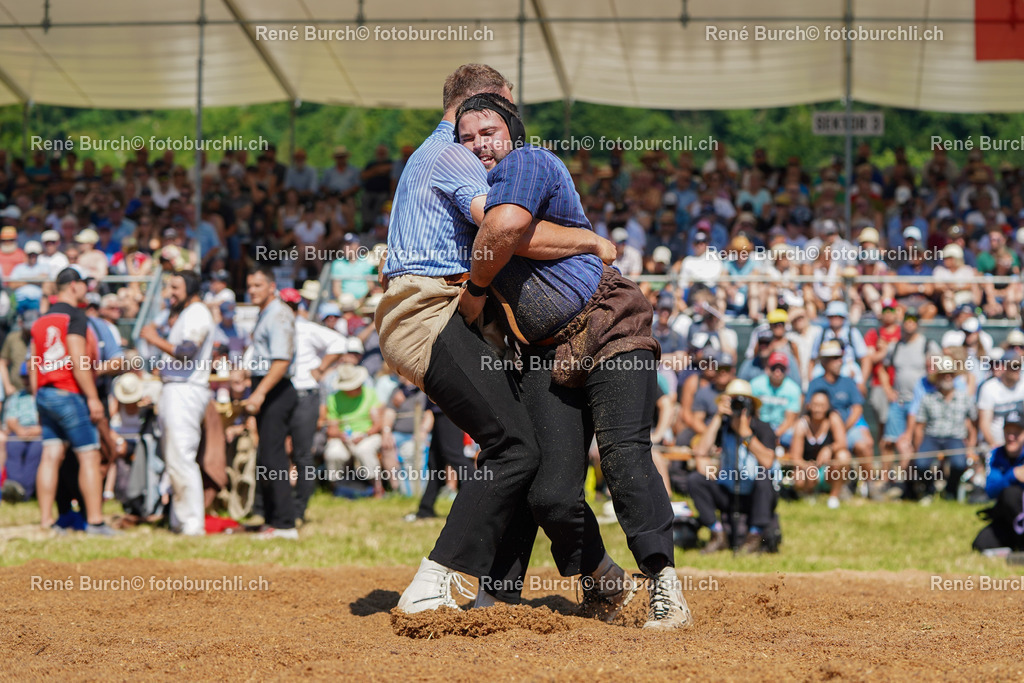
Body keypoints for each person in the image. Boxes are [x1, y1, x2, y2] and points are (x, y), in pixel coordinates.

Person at [376, 64, 614, 614]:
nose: (502, 128)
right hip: (427, 312)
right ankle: (435, 580)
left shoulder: (437, 154)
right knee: (515, 446)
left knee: (521, 443)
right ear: (479, 103)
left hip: (438, 311)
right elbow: (506, 227)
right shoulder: (454, 156)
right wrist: (590, 240)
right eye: (500, 111)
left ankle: (501, 589)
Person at [455, 93, 690, 628]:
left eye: (487, 131)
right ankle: (605, 580)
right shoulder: (468, 201)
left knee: (623, 456)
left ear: (511, 132)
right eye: (466, 138)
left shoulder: (527, 162)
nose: (479, 145)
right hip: (544, 352)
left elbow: (509, 226)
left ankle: (663, 584)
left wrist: (474, 287)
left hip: (611, 322)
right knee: (550, 493)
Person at [30, 267, 114, 534]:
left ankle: (46, 521)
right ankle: (96, 522)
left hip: (45, 392)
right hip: (68, 391)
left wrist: (37, 397)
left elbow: (33, 363)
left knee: (51, 454)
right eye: (84, 285)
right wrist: (92, 398)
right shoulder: (75, 316)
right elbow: (79, 361)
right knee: (89, 455)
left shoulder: (40, 320)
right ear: (74, 286)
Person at [138, 270, 215, 536]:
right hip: (177, 389)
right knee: (175, 458)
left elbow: (186, 352)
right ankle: (180, 521)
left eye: (176, 287)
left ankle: (192, 524)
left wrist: (154, 339)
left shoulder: (197, 312)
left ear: (191, 289)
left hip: (186, 391)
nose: (170, 292)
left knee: (181, 456)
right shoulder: (186, 313)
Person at [689, 379, 780, 553]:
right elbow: (700, 451)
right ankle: (717, 533)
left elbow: (768, 461)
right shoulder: (723, 426)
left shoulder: (762, 427)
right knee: (695, 480)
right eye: (733, 401)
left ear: (751, 405)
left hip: (754, 494)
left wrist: (745, 433)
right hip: (728, 491)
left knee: (764, 480)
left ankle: (754, 537)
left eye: (741, 401)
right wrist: (717, 417)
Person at [242, 266, 299, 539]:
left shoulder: (278, 313)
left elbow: (281, 360)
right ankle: (271, 519)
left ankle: (286, 523)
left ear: (271, 287)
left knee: (275, 457)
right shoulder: (266, 313)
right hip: (266, 385)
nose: (252, 290)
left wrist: (260, 392)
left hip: (275, 389)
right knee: (266, 455)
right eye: (249, 286)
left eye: (257, 285)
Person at [914, 357, 976, 500]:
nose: (947, 377)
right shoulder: (927, 398)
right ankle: (929, 489)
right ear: (938, 377)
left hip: (955, 437)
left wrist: (971, 447)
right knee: (921, 464)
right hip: (932, 437)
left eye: (950, 374)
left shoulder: (965, 398)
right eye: (944, 374)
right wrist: (918, 448)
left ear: (954, 376)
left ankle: (950, 490)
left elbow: (972, 426)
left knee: (959, 464)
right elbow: (919, 426)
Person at [972, 409, 1024, 552]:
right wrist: (1012, 475)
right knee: (981, 544)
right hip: (1006, 516)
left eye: (1017, 433)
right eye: (1008, 432)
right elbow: (991, 490)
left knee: (1012, 494)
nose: (1011, 437)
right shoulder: (995, 454)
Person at [790, 390, 850, 508]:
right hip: (808, 471)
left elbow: (843, 443)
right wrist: (807, 467)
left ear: (828, 407)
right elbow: (795, 457)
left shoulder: (833, 418)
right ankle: (808, 493)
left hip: (829, 471)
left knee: (844, 456)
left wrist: (829, 448)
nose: (818, 409)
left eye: (822, 406)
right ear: (809, 405)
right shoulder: (801, 424)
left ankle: (834, 497)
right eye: (815, 405)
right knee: (798, 477)